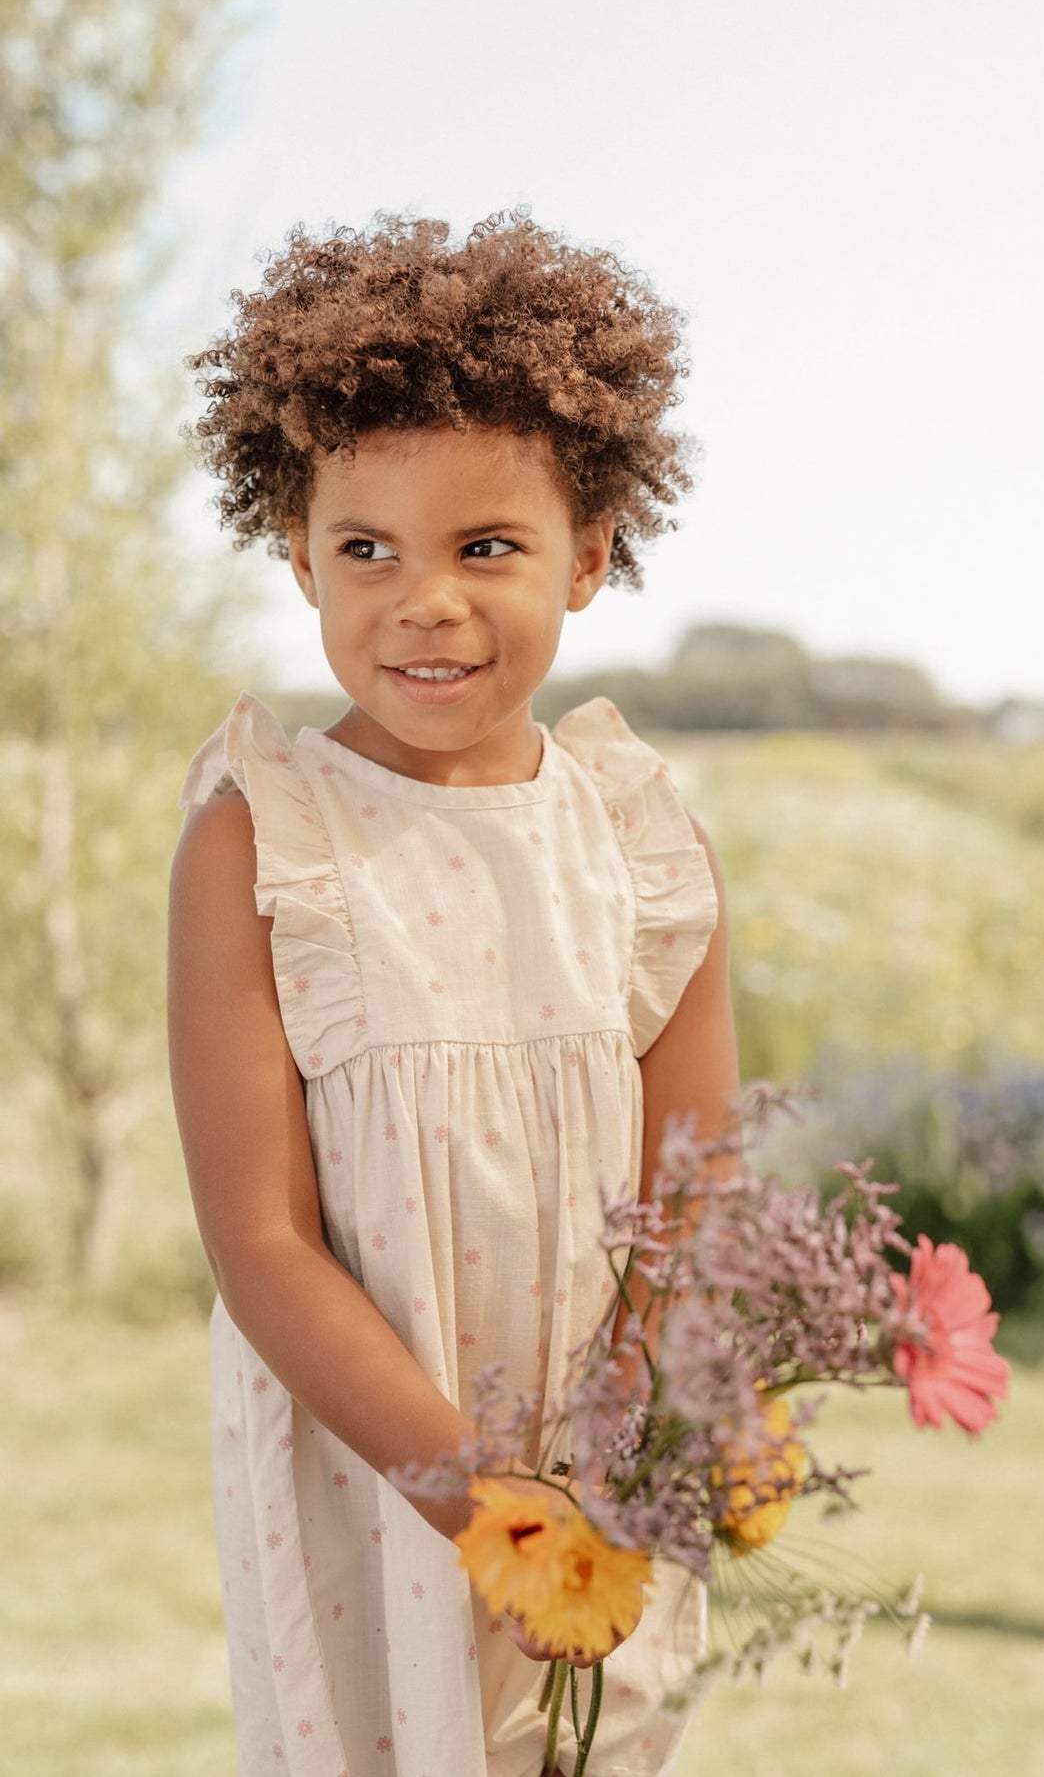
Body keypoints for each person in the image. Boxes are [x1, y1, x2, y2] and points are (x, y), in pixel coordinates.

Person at [168, 211, 739, 1777]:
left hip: (604, 1490)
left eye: (486, 545)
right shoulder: (261, 837)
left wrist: (609, 1468)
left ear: (592, 552)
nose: (424, 600)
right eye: (368, 549)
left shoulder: (642, 834)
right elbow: (261, 1236)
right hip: (388, 1484)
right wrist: (476, 1499)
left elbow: (691, 1190)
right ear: (298, 555)